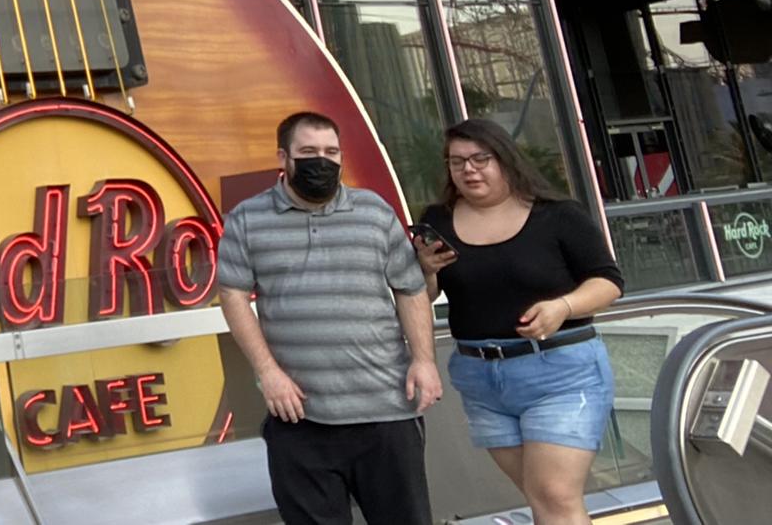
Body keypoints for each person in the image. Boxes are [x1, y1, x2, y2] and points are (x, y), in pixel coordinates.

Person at [215, 110, 440, 525]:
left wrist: (424, 360)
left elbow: (410, 290)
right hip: (299, 417)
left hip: (386, 413)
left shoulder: (375, 211)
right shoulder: (247, 218)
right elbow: (232, 294)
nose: (322, 161)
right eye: (308, 152)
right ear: (283, 157)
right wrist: (268, 372)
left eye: (331, 152)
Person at [414, 119, 623, 525]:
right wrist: (424, 270)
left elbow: (609, 282)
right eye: (457, 162)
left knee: (555, 496)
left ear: (505, 159)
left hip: (560, 371)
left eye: (480, 159)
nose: (469, 170)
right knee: (542, 499)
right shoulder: (437, 219)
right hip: (480, 376)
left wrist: (563, 307)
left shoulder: (558, 215)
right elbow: (422, 297)